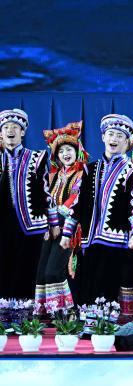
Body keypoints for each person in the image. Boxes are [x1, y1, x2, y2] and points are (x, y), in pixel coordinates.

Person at [75, 121, 133, 320]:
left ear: (127, 142)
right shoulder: (90, 169)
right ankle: (90, 323)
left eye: (119, 136)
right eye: (110, 134)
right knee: (89, 280)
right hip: (91, 237)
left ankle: (106, 324)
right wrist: (67, 232)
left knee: (109, 280)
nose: (114, 139)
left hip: (116, 236)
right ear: (103, 137)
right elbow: (79, 202)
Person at [35, 122, 87, 315]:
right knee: (42, 272)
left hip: (69, 228)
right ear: (56, 155)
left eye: (69, 149)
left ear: (77, 151)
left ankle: (67, 312)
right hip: (50, 228)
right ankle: (48, 312)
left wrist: (58, 216)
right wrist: (48, 224)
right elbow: (44, 200)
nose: (65, 154)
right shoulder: (52, 176)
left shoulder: (83, 174)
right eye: (61, 151)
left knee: (56, 271)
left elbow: (75, 200)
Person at [0, 108, 49, 306]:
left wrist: (52, 223)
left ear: (23, 132)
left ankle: (25, 310)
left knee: (26, 265)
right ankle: (3, 310)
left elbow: (46, 192)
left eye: (15, 127)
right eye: (6, 127)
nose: (10, 130)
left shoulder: (37, 157)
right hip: (3, 222)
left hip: (30, 221)